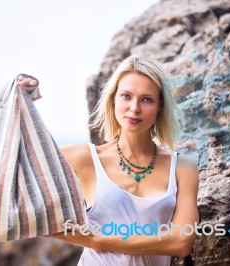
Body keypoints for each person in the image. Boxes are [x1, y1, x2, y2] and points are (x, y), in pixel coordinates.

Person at [16, 55, 199, 266]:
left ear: (160, 106)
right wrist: (22, 103)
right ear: (113, 99)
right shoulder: (84, 158)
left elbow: (182, 241)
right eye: (126, 96)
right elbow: (16, 163)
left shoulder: (184, 166)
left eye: (146, 99)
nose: (134, 108)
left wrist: (98, 241)